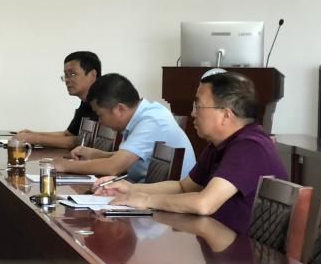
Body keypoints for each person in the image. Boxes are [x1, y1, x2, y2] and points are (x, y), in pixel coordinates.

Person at [98, 71, 288, 234]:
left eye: (199, 106)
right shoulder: (219, 144)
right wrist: (130, 189)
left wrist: (147, 200)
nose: (193, 113)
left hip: (245, 256)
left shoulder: (250, 146)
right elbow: (184, 187)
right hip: (217, 240)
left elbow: (204, 203)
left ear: (226, 115)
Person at [56, 73, 194, 182]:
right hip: (145, 192)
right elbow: (128, 156)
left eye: (100, 115)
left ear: (120, 109)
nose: (100, 122)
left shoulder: (151, 121)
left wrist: (64, 165)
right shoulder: (141, 115)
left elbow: (114, 167)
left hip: (165, 201)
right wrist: (94, 154)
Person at [16, 51, 100, 149]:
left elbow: (84, 141)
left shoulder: (104, 102)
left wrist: (35, 139)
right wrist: (32, 134)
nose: (67, 80)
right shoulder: (85, 103)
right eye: (66, 75)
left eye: (72, 74)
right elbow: (68, 135)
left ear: (92, 75)